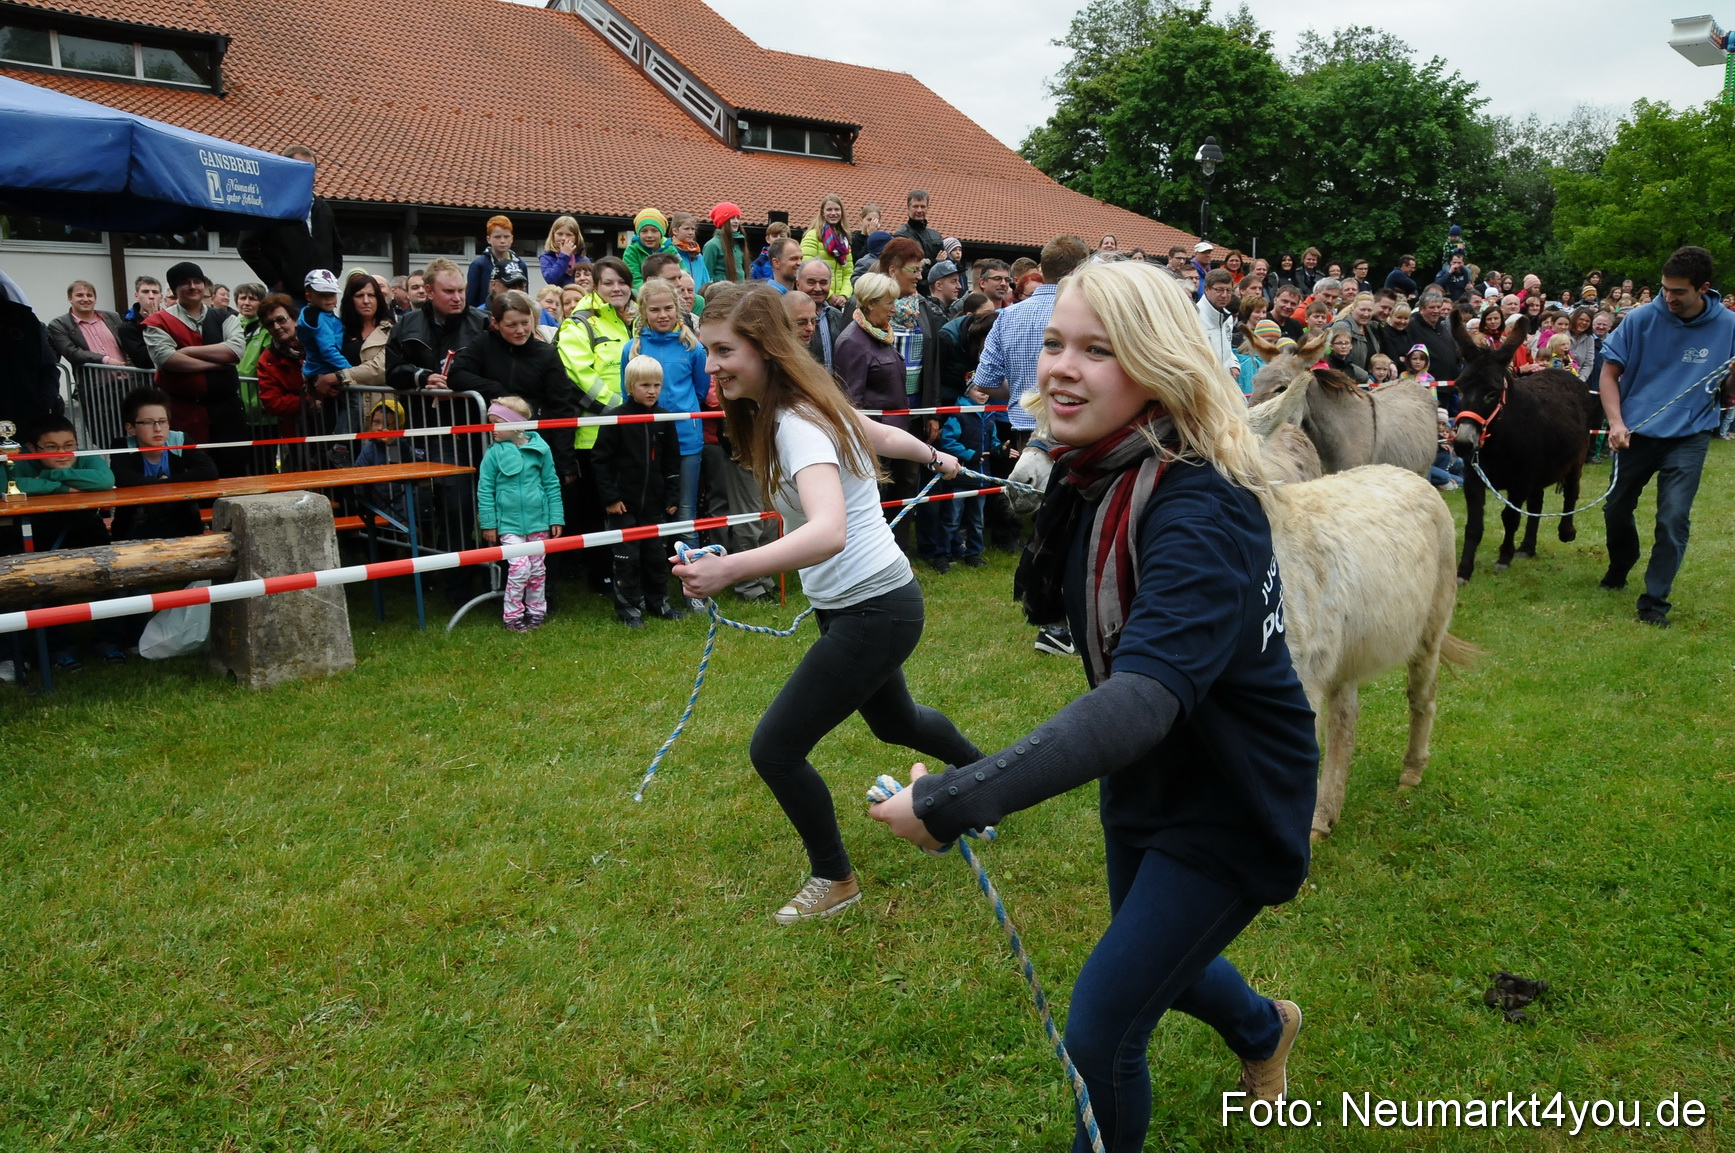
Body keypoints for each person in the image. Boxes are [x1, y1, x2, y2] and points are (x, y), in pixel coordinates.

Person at [869, 260, 1314, 1151]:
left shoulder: (1197, 509)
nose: (1060, 368)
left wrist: (958, 797)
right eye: (1058, 344)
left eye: (1097, 350)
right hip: (1150, 779)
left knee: (1104, 1027)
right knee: (1165, 968)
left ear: (1158, 365)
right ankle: (1266, 1026)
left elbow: (1143, 697)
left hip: (1229, 793)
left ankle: (1257, 1031)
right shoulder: (1100, 475)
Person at [671, 281, 981, 924]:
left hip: (875, 609)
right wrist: (934, 455)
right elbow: (870, 431)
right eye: (708, 351)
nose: (713, 365)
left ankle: (834, 880)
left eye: (725, 349)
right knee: (897, 724)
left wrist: (729, 568)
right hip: (865, 606)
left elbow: (827, 531)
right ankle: (991, 786)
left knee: (775, 749)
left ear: (764, 348)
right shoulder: (803, 406)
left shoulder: (793, 423)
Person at [1598, 245, 1735, 627]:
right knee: (1616, 509)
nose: (1668, 298)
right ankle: (1621, 563)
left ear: (1703, 288)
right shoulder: (1641, 319)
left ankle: (1654, 601)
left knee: (1673, 517)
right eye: (1665, 289)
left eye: (1679, 291)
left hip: (1689, 435)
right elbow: (1608, 375)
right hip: (1635, 432)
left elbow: (1730, 386)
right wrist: (1616, 423)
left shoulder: (1729, 326)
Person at [449, 289, 580, 484]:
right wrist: (494, 389)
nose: (520, 330)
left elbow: (562, 407)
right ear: (496, 323)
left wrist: (565, 462)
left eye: (525, 323)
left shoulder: (547, 355)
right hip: (493, 446)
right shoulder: (483, 344)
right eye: (511, 325)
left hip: (536, 443)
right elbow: (456, 375)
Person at [590, 356, 682, 627]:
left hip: (654, 504)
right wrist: (611, 498)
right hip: (623, 505)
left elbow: (672, 462)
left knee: (656, 555)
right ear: (630, 386)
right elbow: (600, 460)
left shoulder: (665, 418)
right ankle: (629, 609)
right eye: (644, 385)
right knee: (626, 557)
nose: (652, 391)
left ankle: (660, 603)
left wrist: (672, 496)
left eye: (657, 385)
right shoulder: (615, 418)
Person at [140, 260, 248, 475]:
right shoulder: (158, 321)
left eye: (197, 281)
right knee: (191, 468)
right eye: (185, 283)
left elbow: (235, 351)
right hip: (184, 410)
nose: (192, 287)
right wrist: (218, 364)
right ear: (174, 289)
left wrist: (187, 351)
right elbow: (167, 359)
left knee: (233, 468)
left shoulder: (225, 317)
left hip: (226, 411)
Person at [621, 278, 707, 546]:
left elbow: (701, 390)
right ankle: (656, 571)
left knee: (685, 510)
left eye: (668, 308)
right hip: (647, 440)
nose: (662, 315)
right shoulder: (632, 349)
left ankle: (693, 580)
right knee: (652, 508)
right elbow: (627, 395)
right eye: (655, 310)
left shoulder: (692, 348)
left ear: (677, 308)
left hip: (686, 439)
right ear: (644, 312)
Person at [478, 395, 564, 632]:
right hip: (508, 524)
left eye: (498, 423)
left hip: (539, 523)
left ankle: (536, 612)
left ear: (514, 425)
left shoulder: (541, 449)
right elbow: (484, 489)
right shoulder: (493, 453)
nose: (492, 429)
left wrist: (556, 517)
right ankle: (512, 615)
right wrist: (488, 523)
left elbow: (551, 483)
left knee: (537, 570)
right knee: (519, 568)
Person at [109, 385, 220, 541]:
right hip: (134, 528)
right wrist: (166, 484)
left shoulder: (180, 440)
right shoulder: (121, 446)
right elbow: (123, 478)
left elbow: (209, 470)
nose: (157, 428)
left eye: (163, 421)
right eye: (148, 422)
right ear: (131, 428)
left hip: (183, 525)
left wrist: (166, 483)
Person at [236, 145, 343, 295]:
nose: (308, 175)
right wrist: (275, 280)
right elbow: (246, 246)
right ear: (287, 171)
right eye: (301, 168)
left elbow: (336, 249)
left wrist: (331, 276)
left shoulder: (323, 208)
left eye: (311, 169)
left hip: (321, 296)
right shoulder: (270, 204)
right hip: (286, 296)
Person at [254, 292, 315, 437]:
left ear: (294, 319)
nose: (276, 327)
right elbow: (272, 401)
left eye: (281, 320)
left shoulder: (317, 343)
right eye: (269, 324)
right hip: (297, 430)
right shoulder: (267, 360)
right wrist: (308, 401)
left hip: (333, 423)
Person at [47, 281, 127, 370]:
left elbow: (127, 343)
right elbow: (72, 352)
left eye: (89, 295)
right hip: (93, 382)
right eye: (79, 295)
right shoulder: (59, 325)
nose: (85, 299)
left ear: (95, 299)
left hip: (127, 380)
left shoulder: (112, 317)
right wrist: (105, 360)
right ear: (70, 298)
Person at [800, 194, 855, 307]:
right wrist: (829, 295)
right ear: (822, 213)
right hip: (816, 299)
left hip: (840, 303)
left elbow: (848, 273)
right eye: (829, 209)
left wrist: (844, 295)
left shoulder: (844, 241)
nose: (833, 213)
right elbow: (804, 270)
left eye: (837, 209)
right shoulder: (812, 236)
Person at [466, 215, 530, 308]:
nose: (502, 241)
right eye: (497, 237)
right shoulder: (479, 265)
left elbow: (525, 295)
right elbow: (471, 299)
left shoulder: (520, 265)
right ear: (489, 239)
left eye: (506, 237)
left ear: (512, 238)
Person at [1196, 269, 1239, 384]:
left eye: (1228, 290)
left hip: (1226, 383)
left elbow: (1227, 349)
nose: (1224, 295)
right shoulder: (1194, 316)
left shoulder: (1228, 318)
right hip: (1205, 383)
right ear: (1206, 289)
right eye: (1219, 290)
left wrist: (1234, 364)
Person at [623, 208, 677, 289]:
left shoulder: (670, 250)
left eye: (654, 231)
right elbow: (633, 279)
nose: (649, 235)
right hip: (643, 292)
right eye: (644, 231)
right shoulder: (632, 252)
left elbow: (683, 272)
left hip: (670, 290)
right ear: (638, 233)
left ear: (661, 233)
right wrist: (654, 290)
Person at [893, 189, 943, 265]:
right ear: (908, 208)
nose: (919, 210)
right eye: (915, 206)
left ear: (927, 208)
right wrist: (935, 262)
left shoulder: (936, 236)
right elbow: (908, 266)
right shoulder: (901, 236)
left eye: (923, 206)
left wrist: (926, 263)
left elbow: (946, 263)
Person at [540, 215, 588, 288]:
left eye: (569, 235)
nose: (564, 238)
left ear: (576, 238)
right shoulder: (547, 257)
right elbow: (551, 280)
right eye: (559, 234)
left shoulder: (583, 259)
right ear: (553, 235)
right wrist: (564, 256)